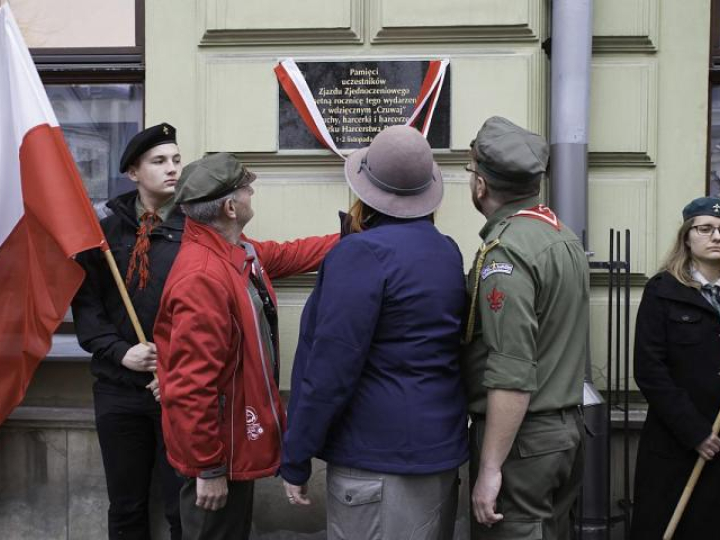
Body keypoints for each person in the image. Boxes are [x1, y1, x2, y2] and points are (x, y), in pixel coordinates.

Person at [280, 125, 469, 540]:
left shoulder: (361, 254)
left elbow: (329, 369)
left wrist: (296, 455)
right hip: (438, 450)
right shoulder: (446, 250)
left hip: (376, 457)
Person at [154, 152, 338, 540]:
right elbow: (192, 387)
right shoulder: (202, 277)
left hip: (234, 445)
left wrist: (351, 238)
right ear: (230, 206)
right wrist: (209, 469)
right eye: (246, 188)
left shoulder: (235, 251)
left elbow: (287, 254)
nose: (252, 191)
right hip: (219, 456)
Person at [460, 116, 588, 540]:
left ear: (481, 185)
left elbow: (512, 369)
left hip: (523, 441)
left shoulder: (507, 252)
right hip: (561, 430)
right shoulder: (560, 236)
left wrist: (491, 468)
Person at [72, 123, 185, 540]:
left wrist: (173, 368)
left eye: (176, 159)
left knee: (181, 506)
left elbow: (207, 314)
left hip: (175, 390)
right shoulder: (103, 233)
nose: (172, 169)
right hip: (118, 389)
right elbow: (87, 306)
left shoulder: (195, 230)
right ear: (134, 173)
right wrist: (120, 352)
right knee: (126, 506)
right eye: (159, 162)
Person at [630, 196, 720, 540]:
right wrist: (695, 432)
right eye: (705, 229)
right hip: (677, 445)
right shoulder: (663, 291)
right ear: (687, 237)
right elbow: (650, 370)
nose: (715, 236)